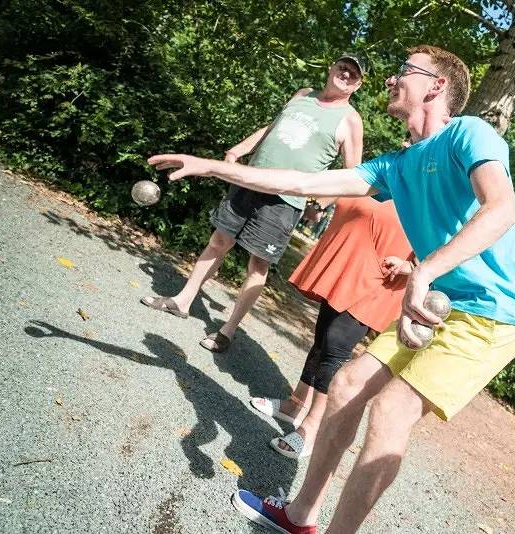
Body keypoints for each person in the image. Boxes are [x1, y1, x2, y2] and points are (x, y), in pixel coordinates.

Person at [149, 44, 515, 534]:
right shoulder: (397, 166)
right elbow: (302, 180)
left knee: (392, 409)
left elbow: (500, 210)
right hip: (442, 306)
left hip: (495, 314)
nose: (391, 80)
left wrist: (423, 271)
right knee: (348, 384)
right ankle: (300, 517)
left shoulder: (469, 133)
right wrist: (214, 166)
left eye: (405, 71)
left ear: (436, 86)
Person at [141, 53, 366, 353]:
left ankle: (227, 330)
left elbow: (352, 175)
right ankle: (182, 301)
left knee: (257, 265)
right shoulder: (303, 95)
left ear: (358, 85)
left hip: (286, 201)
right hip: (250, 180)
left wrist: (322, 203)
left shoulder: (350, 120)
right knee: (219, 240)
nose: (346, 74)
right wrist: (239, 149)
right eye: (343, 67)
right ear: (331, 67)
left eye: (354, 73)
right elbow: (271, 129)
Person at [252, 196, 413, 459]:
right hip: (350, 262)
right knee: (322, 339)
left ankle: (312, 427)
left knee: (336, 346)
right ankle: (295, 405)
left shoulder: (442, 179)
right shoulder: (395, 170)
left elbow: (450, 236)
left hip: (384, 276)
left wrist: (414, 266)